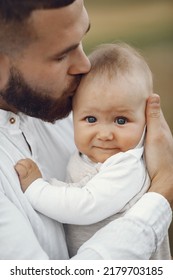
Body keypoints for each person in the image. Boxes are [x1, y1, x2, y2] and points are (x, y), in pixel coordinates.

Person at [0, 0, 173, 260]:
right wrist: (162, 192)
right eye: (61, 55)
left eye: (82, 40)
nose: (85, 66)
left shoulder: (64, 105)